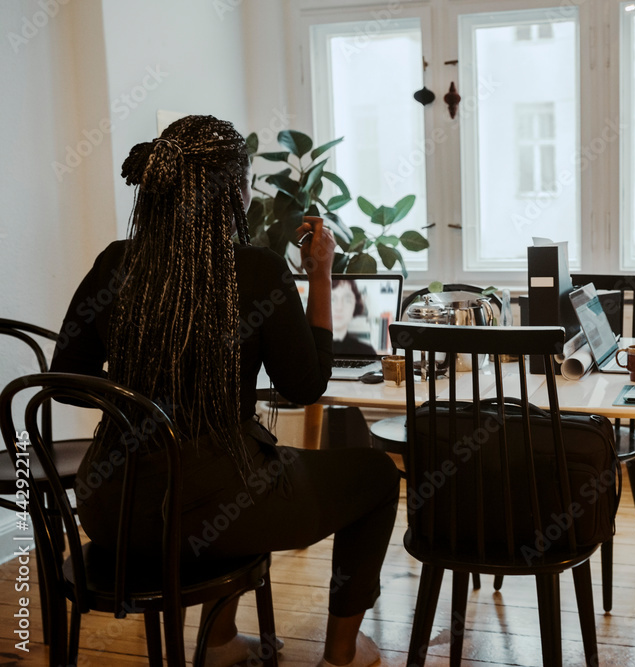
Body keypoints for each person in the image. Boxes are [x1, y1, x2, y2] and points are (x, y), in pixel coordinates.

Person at [51, 115, 399, 667]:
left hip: (109, 506)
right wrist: (319, 274)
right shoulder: (256, 271)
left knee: (256, 464)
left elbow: (66, 380)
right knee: (373, 476)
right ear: (234, 193)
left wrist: (145, 401)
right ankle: (341, 652)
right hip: (213, 510)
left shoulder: (115, 261)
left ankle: (221, 643)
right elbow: (305, 387)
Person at [331, 279, 377, 355]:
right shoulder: (311, 350)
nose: (339, 307)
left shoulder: (367, 352)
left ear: (355, 305)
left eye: (347, 300)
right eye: (332, 299)